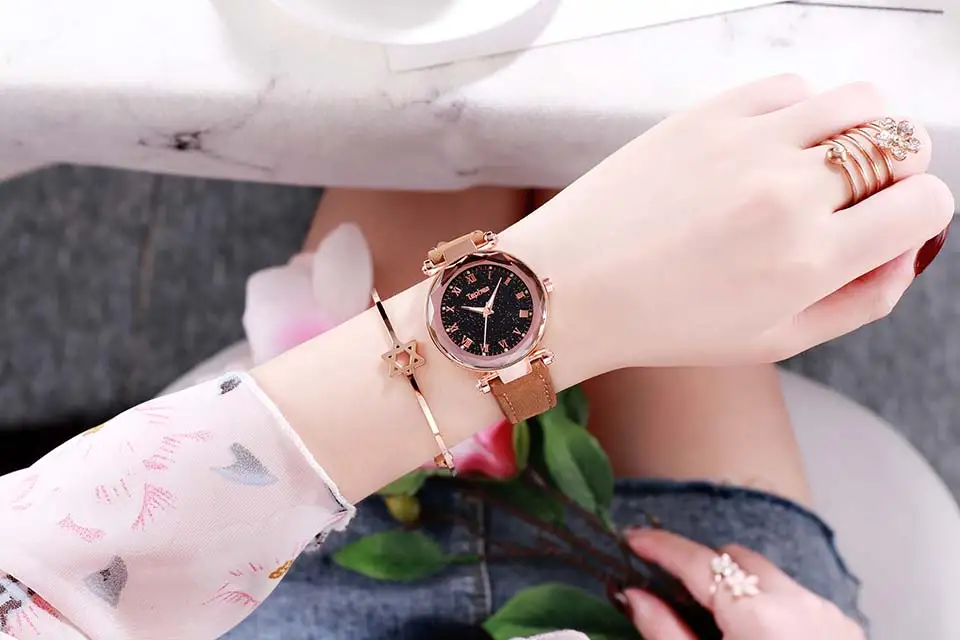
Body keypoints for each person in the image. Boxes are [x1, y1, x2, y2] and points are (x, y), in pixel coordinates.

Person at [0, 75, 952, 640]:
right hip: (695, 593)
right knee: (650, 122)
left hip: (240, 591)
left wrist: (568, 285)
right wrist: (579, 287)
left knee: (437, 97)